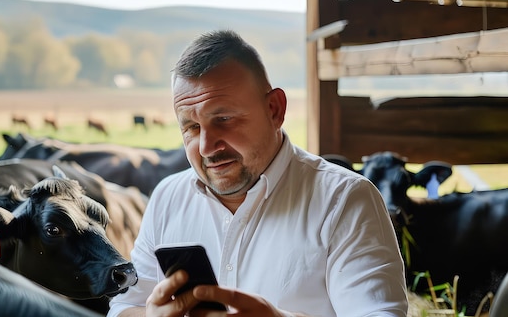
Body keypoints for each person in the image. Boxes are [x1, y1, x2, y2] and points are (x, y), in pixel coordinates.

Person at [107, 29, 408, 317]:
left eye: (223, 119)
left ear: (275, 109)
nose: (207, 147)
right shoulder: (167, 197)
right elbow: (123, 307)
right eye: (192, 127)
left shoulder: (345, 199)